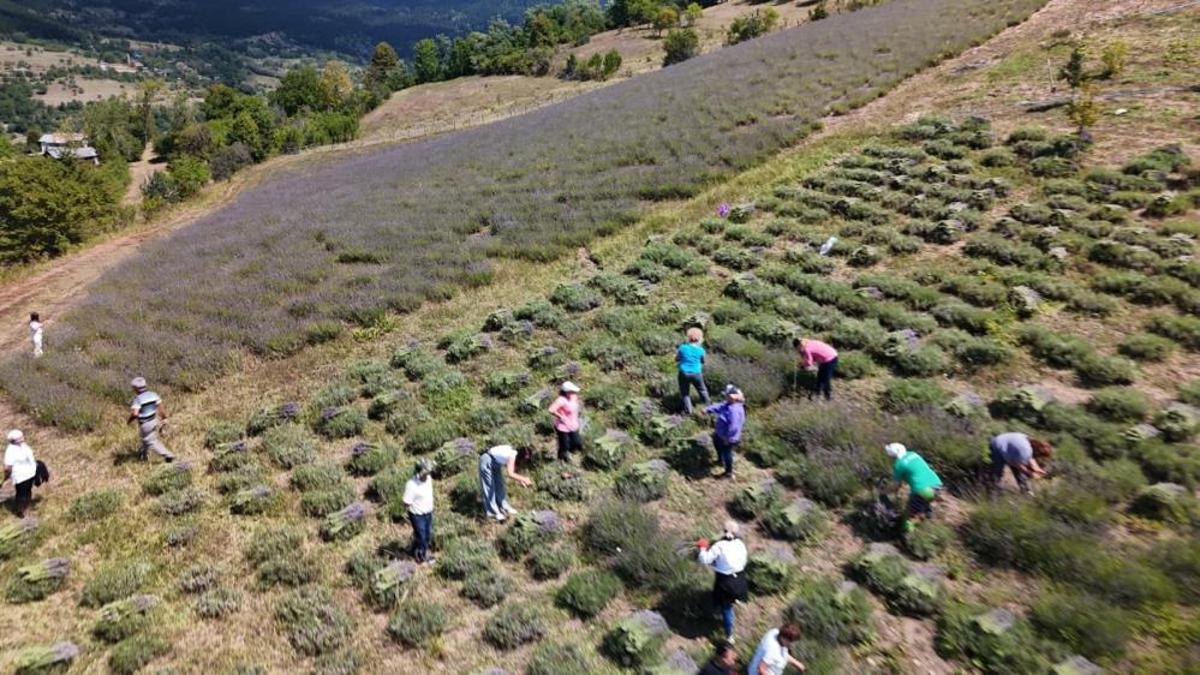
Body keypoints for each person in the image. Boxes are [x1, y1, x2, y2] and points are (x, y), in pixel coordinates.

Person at [697, 520, 748, 642]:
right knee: (734, 596)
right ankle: (737, 599)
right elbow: (744, 561)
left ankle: (730, 635)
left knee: (726, 608)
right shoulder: (741, 544)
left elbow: (704, 560)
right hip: (740, 579)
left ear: (724, 532)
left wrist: (702, 548)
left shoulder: (719, 546)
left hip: (725, 582)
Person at [886, 443, 942, 530]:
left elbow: (895, 486)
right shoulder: (913, 454)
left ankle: (909, 536)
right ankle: (928, 522)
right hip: (937, 485)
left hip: (922, 490)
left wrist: (884, 492)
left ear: (893, 456)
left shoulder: (898, 465)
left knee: (908, 519)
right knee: (923, 508)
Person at [478, 444, 532, 522]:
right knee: (489, 487)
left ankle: (504, 507)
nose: (524, 462)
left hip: (495, 463)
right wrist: (524, 479)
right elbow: (510, 474)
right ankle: (494, 513)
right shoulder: (512, 455)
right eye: (524, 459)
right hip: (487, 460)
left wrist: (521, 480)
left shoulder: (513, 454)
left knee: (499, 485)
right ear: (520, 456)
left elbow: (514, 471)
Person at [128, 377, 174, 462]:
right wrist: (164, 418)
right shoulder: (153, 394)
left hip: (145, 424)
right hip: (154, 420)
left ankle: (168, 455)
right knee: (145, 439)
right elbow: (161, 409)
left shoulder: (138, 399)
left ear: (135, 388)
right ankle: (143, 456)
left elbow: (135, 413)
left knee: (150, 441)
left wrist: (129, 420)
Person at [704, 385, 745, 479]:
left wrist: (727, 438)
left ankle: (728, 472)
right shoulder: (728, 404)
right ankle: (720, 460)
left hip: (728, 437)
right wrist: (707, 410)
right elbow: (719, 406)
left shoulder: (734, 410)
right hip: (720, 434)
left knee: (727, 453)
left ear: (732, 397)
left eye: (727, 395)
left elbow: (734, 426)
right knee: (716, 441)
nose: (725, 397)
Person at [403, 459, 435, 563]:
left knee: (427, 534)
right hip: (417, 515)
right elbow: (406, 502)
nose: (427, 475)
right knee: (422, 536)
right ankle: (421, 556)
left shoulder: (429, 479)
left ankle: (414, 549)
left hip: (428, 512)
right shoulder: (411, 485)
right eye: (426, 472)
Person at [677, 327, 711, 414]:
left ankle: (688, 411)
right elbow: (703, 361)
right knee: (702, 390)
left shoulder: (683, 348)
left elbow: (677, 358)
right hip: (696, 373)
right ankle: (708, 407)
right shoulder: (701, 350)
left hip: (684, 372)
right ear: (700, 338)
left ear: (688, 337)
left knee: (685, 393)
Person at [3, 430, 37, 517]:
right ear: (14, 440)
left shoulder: (23, 445)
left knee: (28, 490)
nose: (23, 438)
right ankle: (20, 510)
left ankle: (27, 506)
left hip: (30, 473)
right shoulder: (10, 451)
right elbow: (7, 467)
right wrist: (6, 476)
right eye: (20, 438)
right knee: (21, 493)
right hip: (20, 476)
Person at [548, 381, 583, 462]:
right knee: (564, 446)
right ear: (566, 392)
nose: (574, 393)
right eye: (572, 391)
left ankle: (570, 453)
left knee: (577, 442)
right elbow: (551, 410)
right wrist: (560, 416)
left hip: (573, 425)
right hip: (563, 427)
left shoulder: (574, 397)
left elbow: (575, 406)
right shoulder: (561, 400)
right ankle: (562, 460)